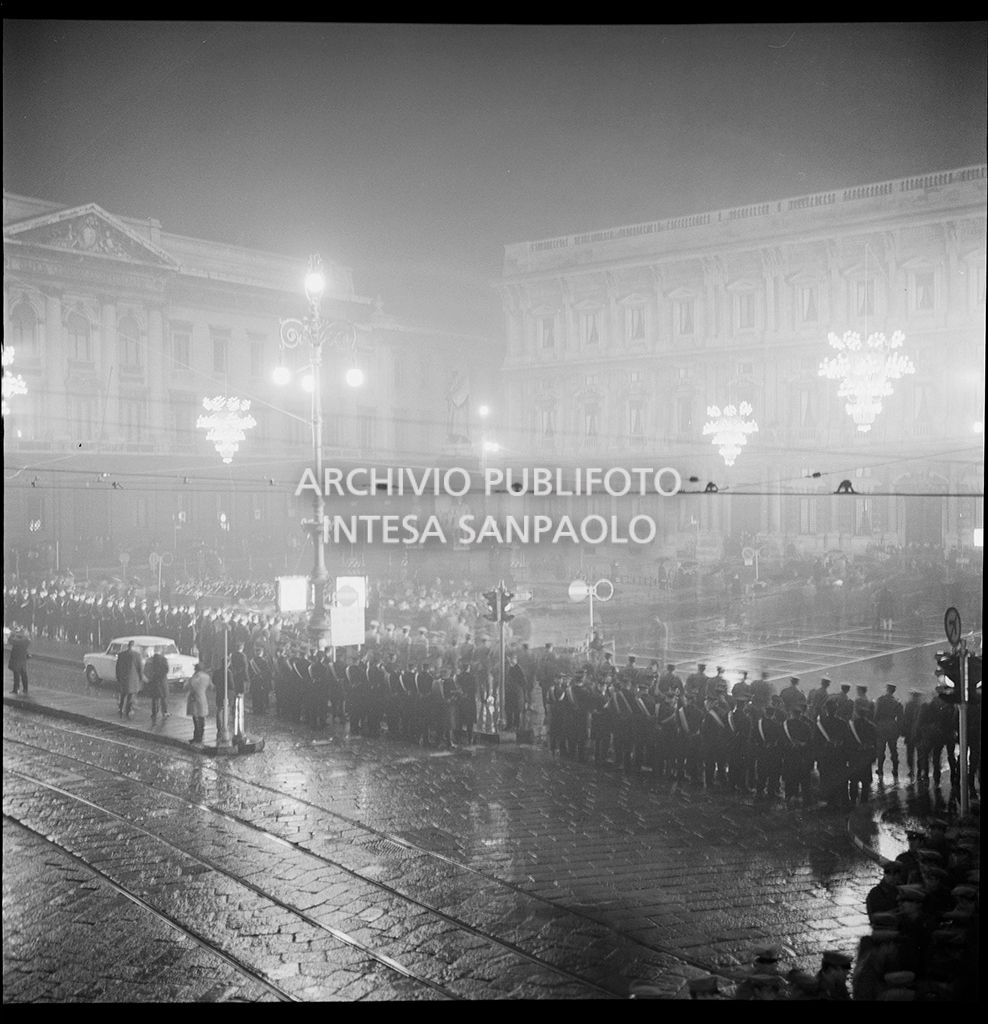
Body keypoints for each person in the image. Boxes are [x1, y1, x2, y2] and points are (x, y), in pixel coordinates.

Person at [184, 662, 213, 745]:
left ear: (196, 669)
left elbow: (187, 686)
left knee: (195, 718)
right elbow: (211, 687)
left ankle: (197, 736)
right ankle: (201, 735)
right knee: (201, 717)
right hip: (203, 697)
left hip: (194, 699)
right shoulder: (207, 676)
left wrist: (188, 681)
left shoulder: (195, 677)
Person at [115, 639, 143, 718]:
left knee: (123, 694)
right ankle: (128, 710)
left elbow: (117, 667)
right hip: (133, 679)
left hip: (123, 678)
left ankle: (120, 708)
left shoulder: (121, 654)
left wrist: (118, 677)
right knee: (130, 695)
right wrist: (140, 678)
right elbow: (140, 668)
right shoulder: (137, 655)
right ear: (134, 646)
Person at [145, 646, 171, 722]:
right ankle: (164, 712)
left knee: (155, 698)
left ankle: (154, 713)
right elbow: (166, 669)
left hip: (154, 681)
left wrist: (150, 677)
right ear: (160, 650)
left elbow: (147, 670)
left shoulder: (150, 660)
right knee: (164, 697)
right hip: (162, 681)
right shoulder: (163, 659)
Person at [8, 629, 30, 695]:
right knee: (24, 674)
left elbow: (10, 640)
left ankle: (16, 689)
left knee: (16, 674)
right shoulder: (26, 641)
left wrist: (12, 634)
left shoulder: (17, 641)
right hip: (23, 659)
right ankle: (25, 689)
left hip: (17, 659)